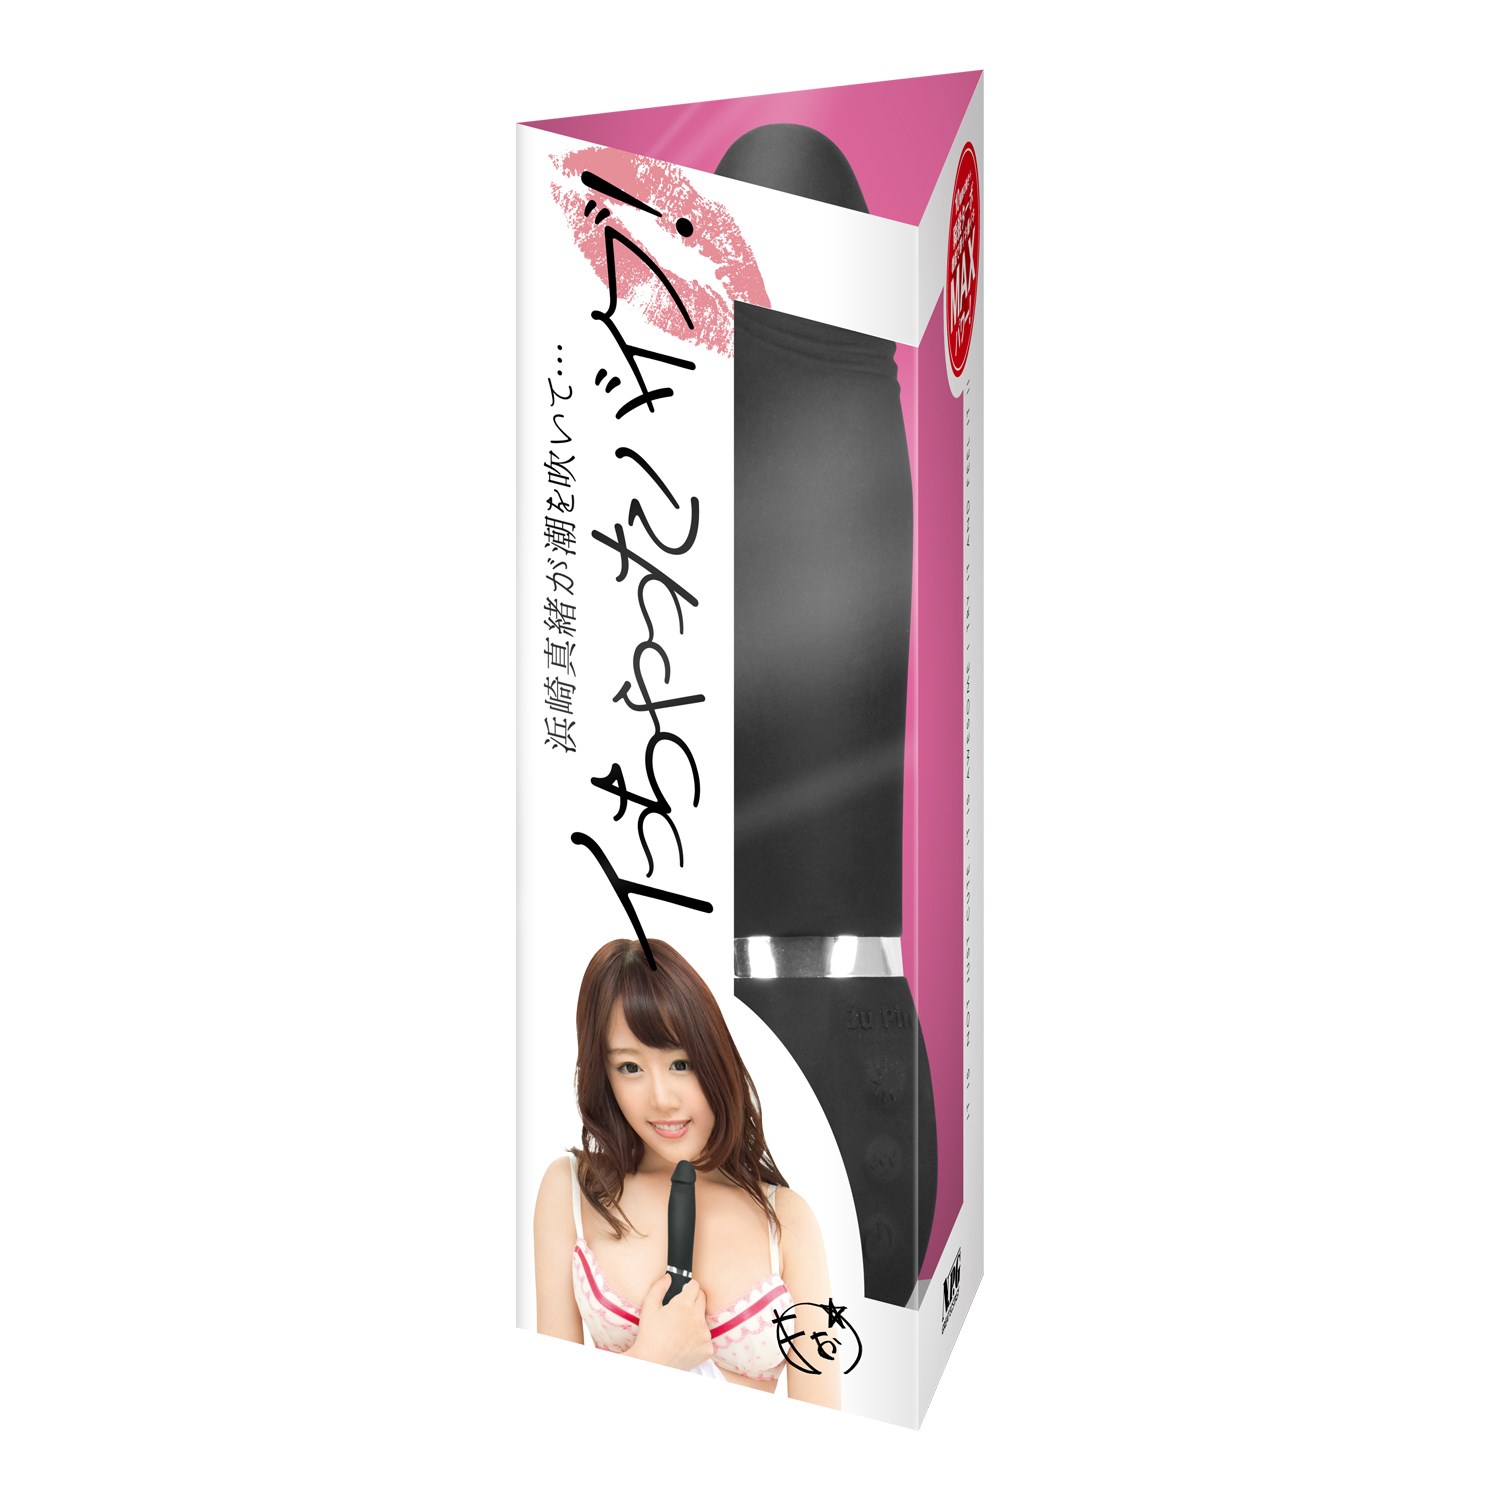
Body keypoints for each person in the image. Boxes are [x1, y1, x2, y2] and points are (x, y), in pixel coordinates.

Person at [534, 937, 840, 1407]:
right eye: (630, 1067)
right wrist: (654, 1357)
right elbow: (549, 1412)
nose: (661, 1099)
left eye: (680, 1063)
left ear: (714, 1057)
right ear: (604, 1075)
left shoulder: (787, 1222)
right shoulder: (571, 1192)